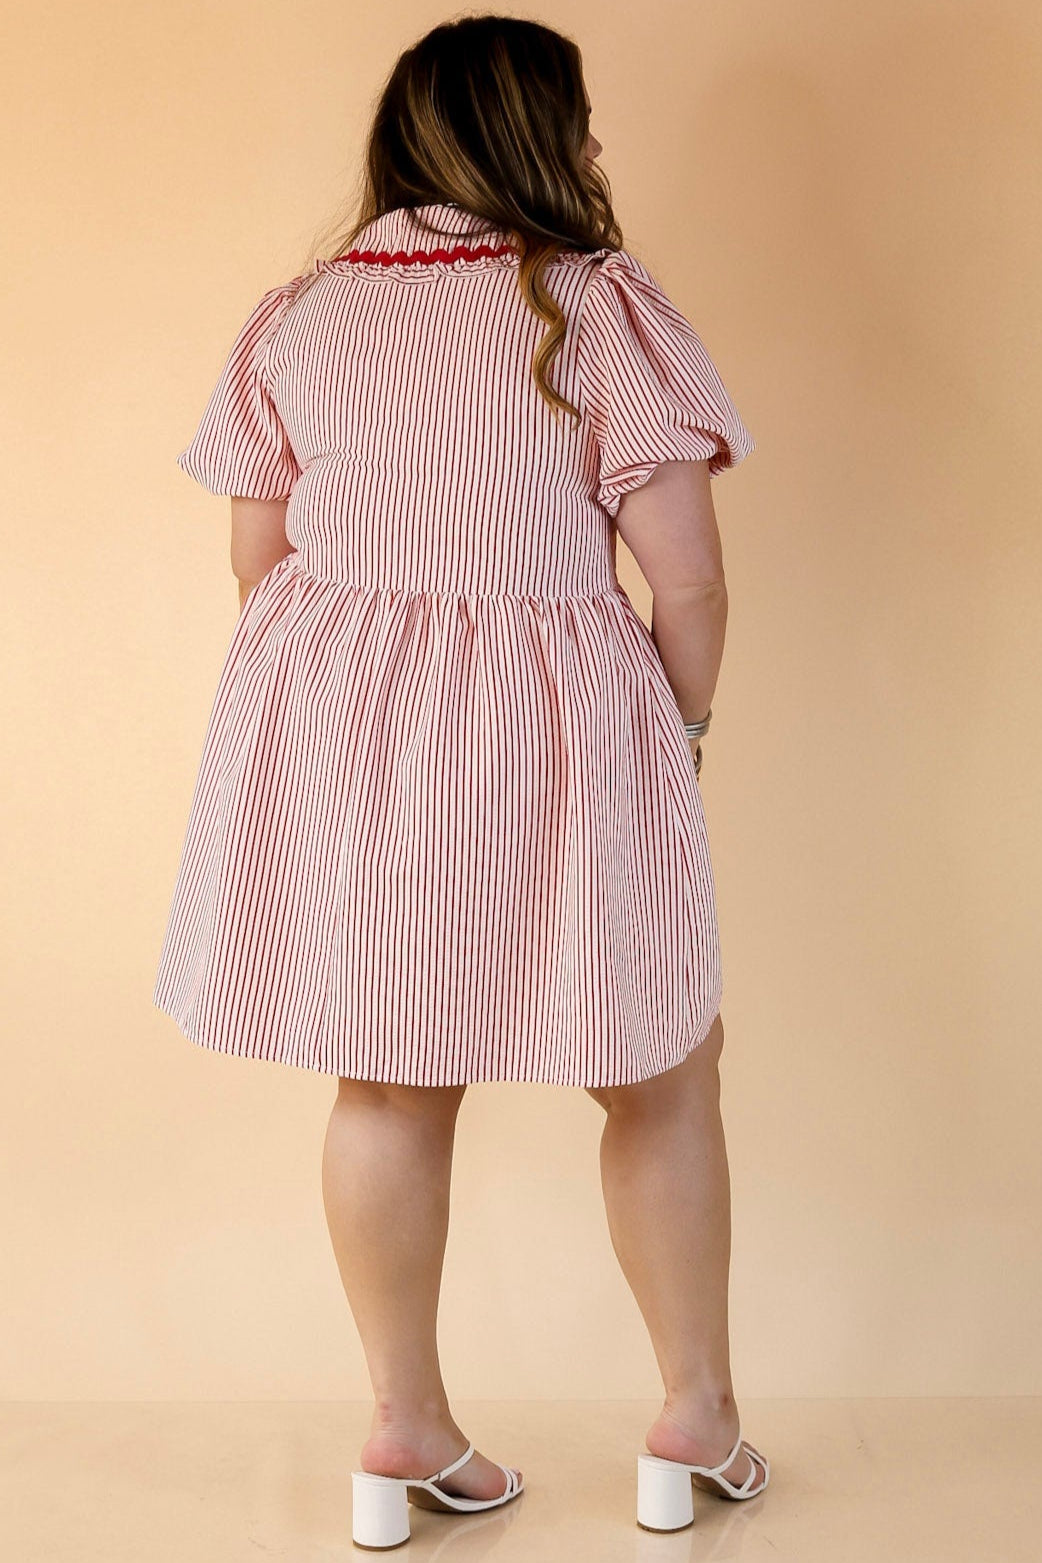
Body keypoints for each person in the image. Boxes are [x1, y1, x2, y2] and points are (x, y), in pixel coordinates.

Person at [152, 12, 769, 1546]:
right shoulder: (594, 302)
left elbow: (258, 561)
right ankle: (692, 1418)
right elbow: (688, 581)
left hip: (351, 729)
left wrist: (364, 710)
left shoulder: (299, 314)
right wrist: (681, 727)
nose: (596, 148)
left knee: (386, 1074)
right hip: (561, 719)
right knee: (658, 1062)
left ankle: (403, 1431)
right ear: (534, 137)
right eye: (578, 121)